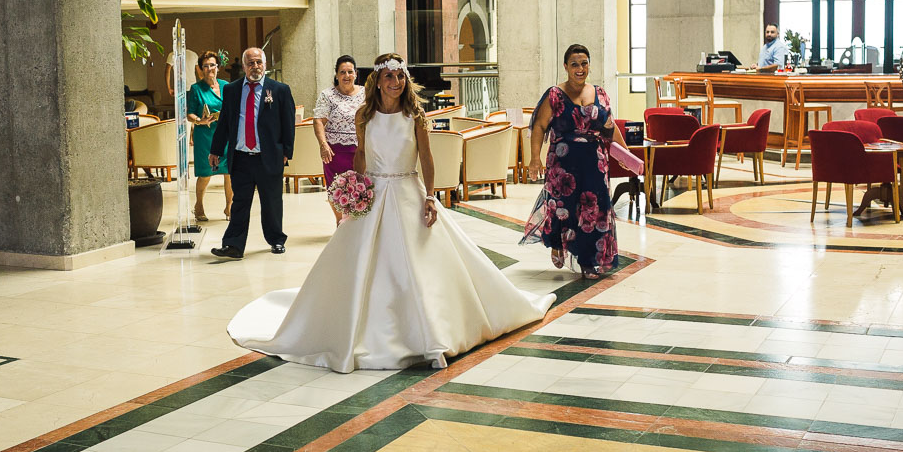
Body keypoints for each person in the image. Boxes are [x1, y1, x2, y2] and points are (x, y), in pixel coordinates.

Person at [226, 53, 554, 372]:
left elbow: (426, 159)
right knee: (362, 263)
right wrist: (354, 189)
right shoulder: (364, 117)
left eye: (400, 76)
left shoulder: (416, 117)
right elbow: (361, 157)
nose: (395, 82)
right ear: (378, 81)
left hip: (409, 192)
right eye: (388, 76)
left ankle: (430, 330)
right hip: (374, 193)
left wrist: (429, 196)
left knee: (419, 264)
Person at [522, 44, 626, 280]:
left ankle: (589, 261)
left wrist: (626, 154)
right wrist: (534, 159)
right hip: (563, 166)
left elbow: (609, 128)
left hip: (595, 164)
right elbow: (539, 127)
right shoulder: (554, 95)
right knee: (563, 208)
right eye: (575, 64)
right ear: (566, 67)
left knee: (595, 211)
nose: (580, 69)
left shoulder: (600, 93)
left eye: (584, 63)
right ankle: (558, 242)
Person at [209, 47, 296, 258]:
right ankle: (233, 245)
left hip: (269, 156)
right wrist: (216, 149)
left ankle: (276, 239)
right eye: (251, 63)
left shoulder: (279, 90)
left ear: (265, 65)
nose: (255, 66)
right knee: (239, 202)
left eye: (258, 62)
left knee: (272, 202)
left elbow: (288, 122)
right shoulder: (232, 89)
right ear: (244, 66)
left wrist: (287, 151)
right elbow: (224, 123)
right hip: (240, 157)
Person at [313, 55, 365, 222]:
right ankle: (340, 221)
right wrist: (323, 144)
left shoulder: (366, 93)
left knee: (359, 189)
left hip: (360, 150)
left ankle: (355, 224)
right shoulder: (328, 95)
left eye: (350, 72)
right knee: (335, 189)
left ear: (356, 74)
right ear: (336, 75)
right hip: (334, 152)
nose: (346, 76)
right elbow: (319, 121)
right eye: (342, 72)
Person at [186, 51, 232, 221]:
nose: (209, 69)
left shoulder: (226, 86)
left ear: (218, 67)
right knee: (206, 173)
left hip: (226, 135)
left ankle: (229, 207)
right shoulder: (196, 89)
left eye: (212, 65)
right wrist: (200, 120)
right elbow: (189, 113)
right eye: (205, 66)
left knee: (230, 172)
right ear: (200, 69)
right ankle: (199, 205)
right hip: (205, 136)